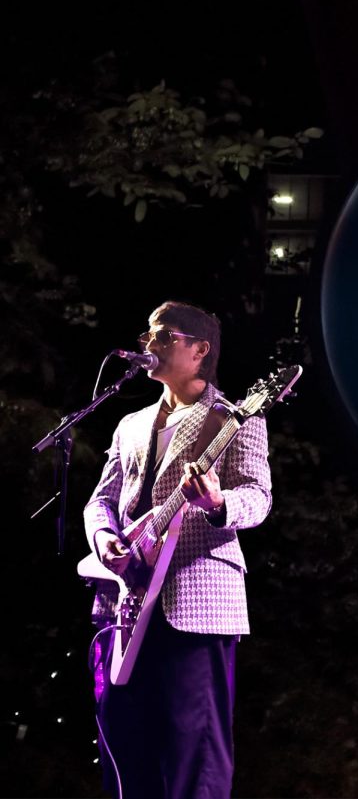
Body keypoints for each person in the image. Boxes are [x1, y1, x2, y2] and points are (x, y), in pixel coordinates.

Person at [83, 301, 272, 799]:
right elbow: (100, 500)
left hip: (197, 598)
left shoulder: (235, 418)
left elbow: (257, 497)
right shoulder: (130, 423)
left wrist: (216, 502)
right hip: (127, 600)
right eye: (149, 333)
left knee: (196, 747)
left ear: (199, 351)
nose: (149, 343)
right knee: (125, 742)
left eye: (164, 335)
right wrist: (104, 538)